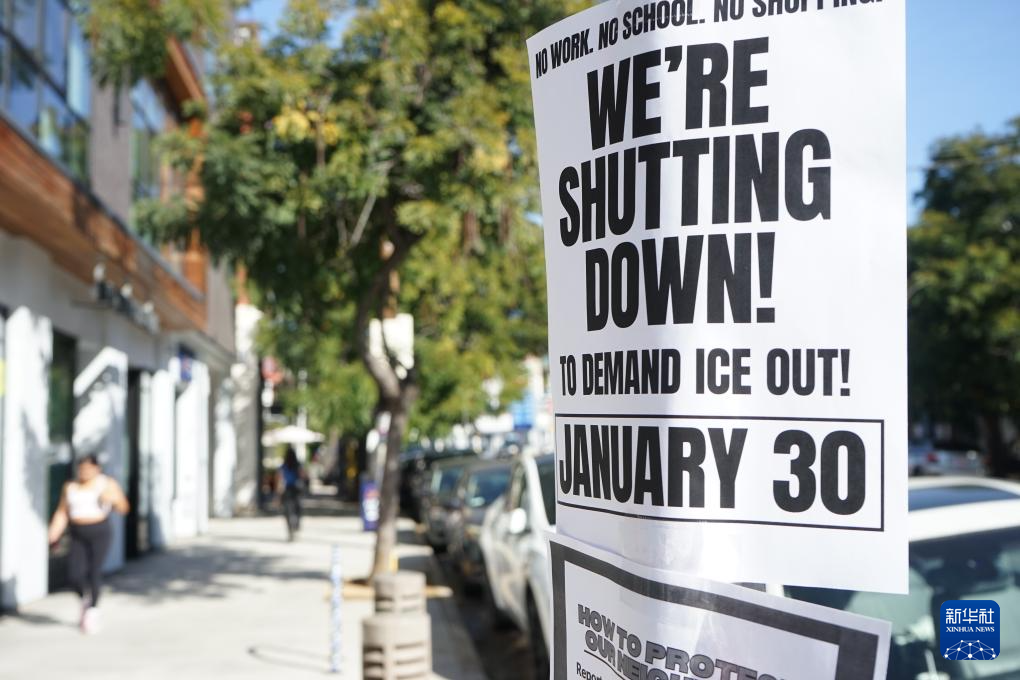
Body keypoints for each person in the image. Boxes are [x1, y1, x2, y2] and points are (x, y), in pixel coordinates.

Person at [47, 454, 129, 634]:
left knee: (94, 571)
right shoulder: (71, 486)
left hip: (99, 531)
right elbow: (62, 511)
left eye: (88, 468)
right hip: (77, 532)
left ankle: (93, 610)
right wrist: (54, 532)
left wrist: (112, 500)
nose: (84, 472)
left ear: (96, 469)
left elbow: (123, 507)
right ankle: (85, 599)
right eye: (81, 468)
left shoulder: (106, 484)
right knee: (74, 574)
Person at [277, 447, 307, 541]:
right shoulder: (298, 465)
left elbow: (280, 480)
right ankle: (296, 525)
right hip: (296, 489)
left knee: (288, 511)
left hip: (287, 490)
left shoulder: (283, 466)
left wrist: (278, 494)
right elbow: (303, 476)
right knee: (297, 508)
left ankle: (290, 529)